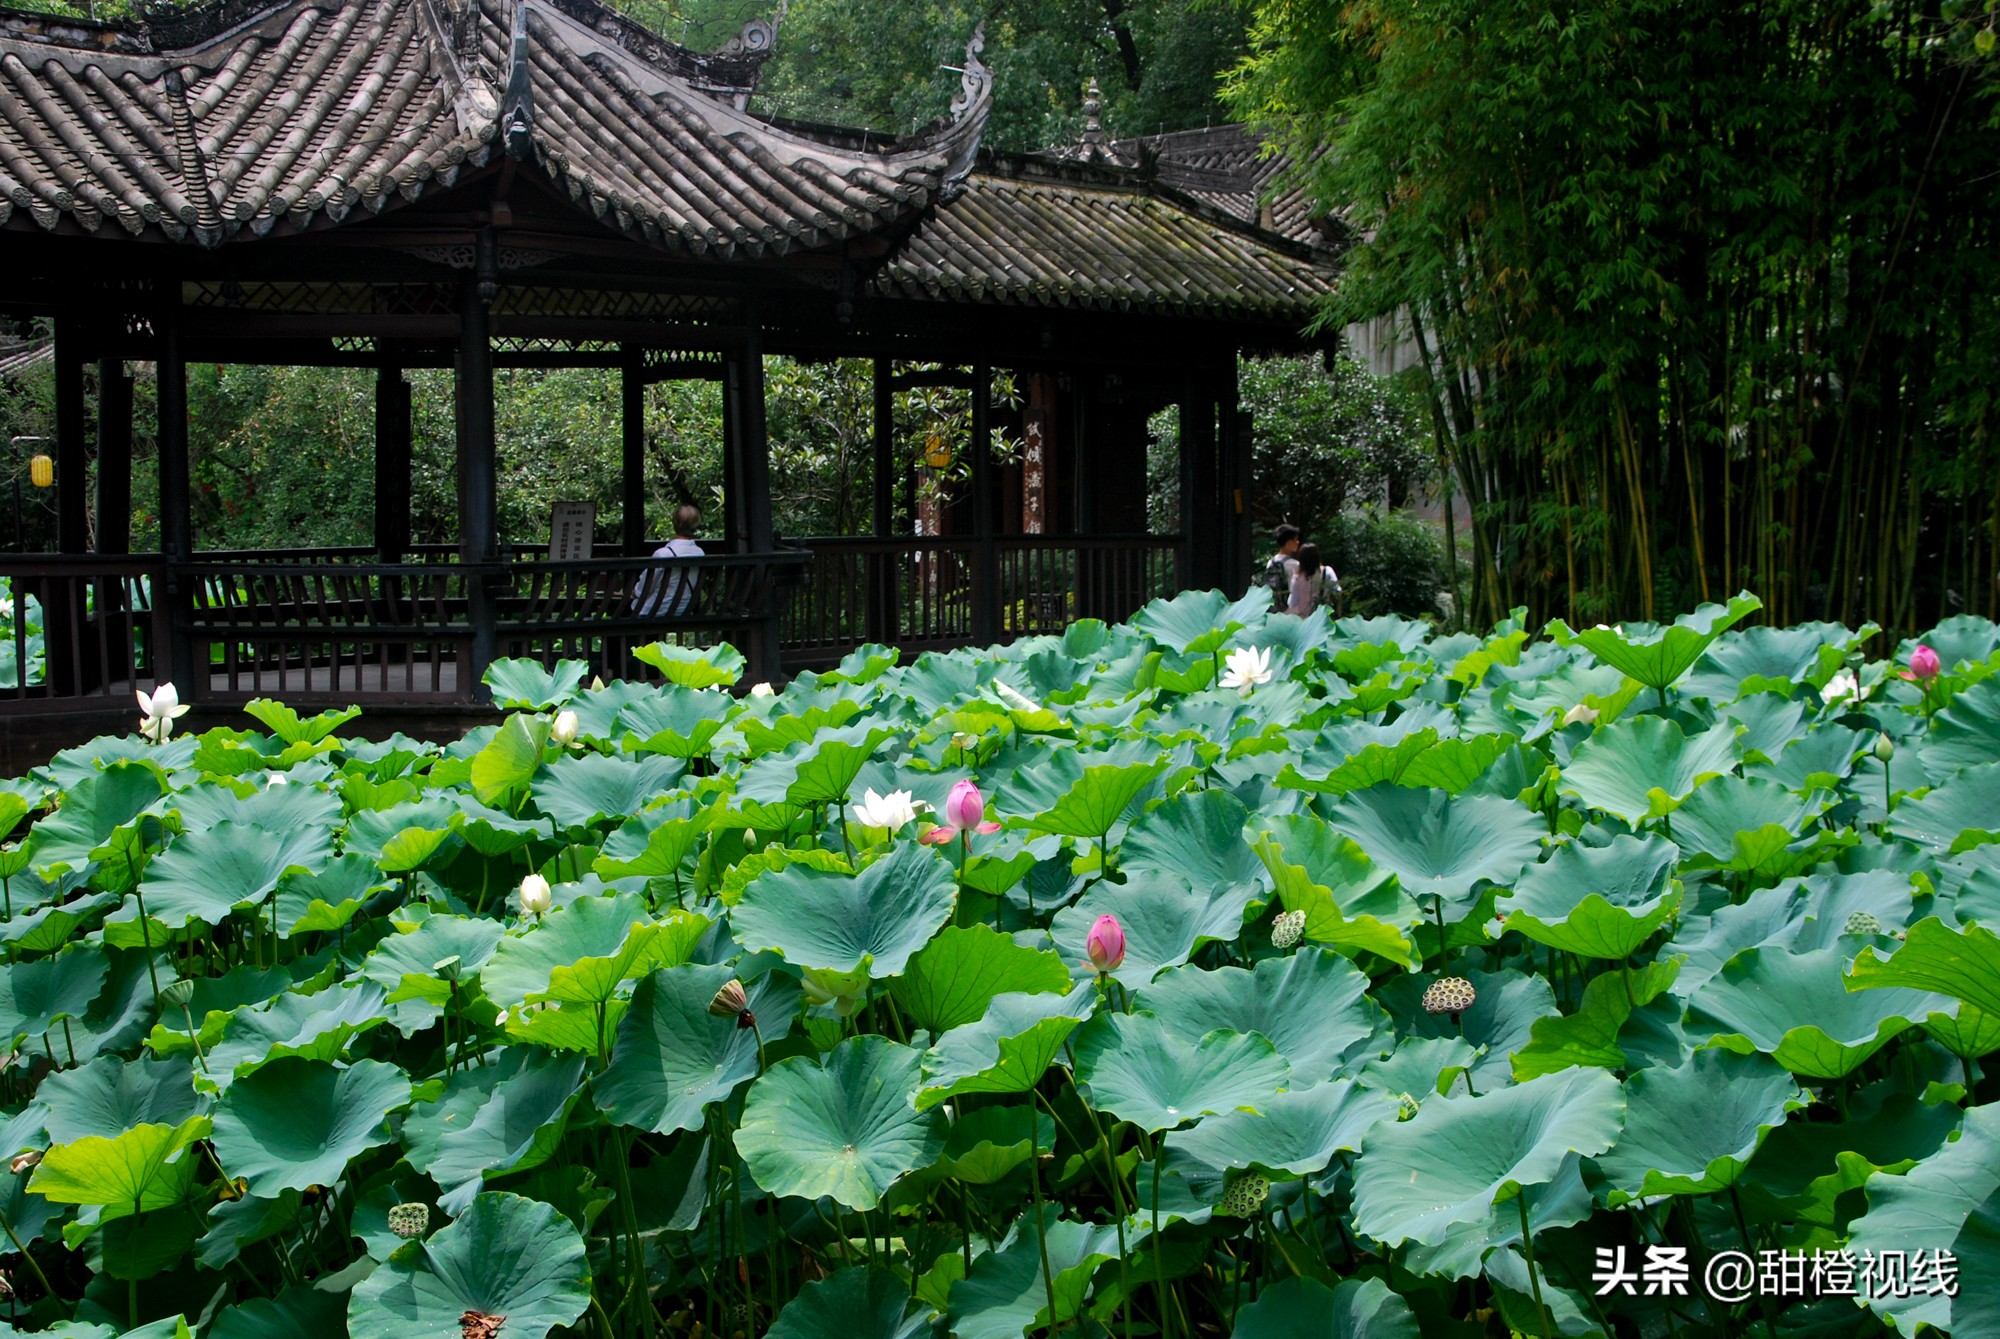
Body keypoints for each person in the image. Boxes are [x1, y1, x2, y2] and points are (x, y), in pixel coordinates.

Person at [633, 504, 703, 616]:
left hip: (656, 611)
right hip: (683, 610)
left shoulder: (663, 554)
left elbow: (643, 589)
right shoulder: (700, 553)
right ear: (696, 525)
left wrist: (632, 593)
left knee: (628, 609)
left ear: (674, 523)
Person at [1288, 542, 1341, 616]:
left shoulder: (1297, 578)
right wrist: (1339, 614)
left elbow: (1292, 603)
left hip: (1304, 619)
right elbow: (1337, 592)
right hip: (1323, 617)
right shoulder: (1327, 571)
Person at [1260, 524, 1302, 612]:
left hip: (1274, 608)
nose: (1298, 542)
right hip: (1290, 610)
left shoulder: (1271, 562)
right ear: (1289, 543)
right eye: (1295, 540)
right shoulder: (1295, 565)